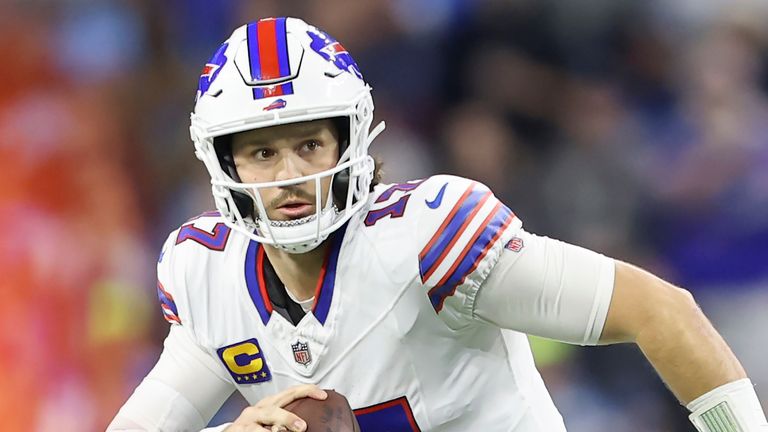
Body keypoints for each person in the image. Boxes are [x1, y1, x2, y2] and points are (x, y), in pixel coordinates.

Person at [108, 17, 768, 432]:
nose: (288, 175)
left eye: (309, 145)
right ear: (222, 162)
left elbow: (661, 309)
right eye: (261, 152)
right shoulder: (207, 273)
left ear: (349, 145)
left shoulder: (428, 242)